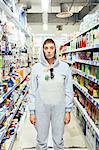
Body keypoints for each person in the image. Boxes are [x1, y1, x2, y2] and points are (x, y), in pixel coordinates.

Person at [29, 38, 73, 150]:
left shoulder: (65, 67)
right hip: (41, 108)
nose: (49, 51)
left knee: (58, 141)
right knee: (41, 140)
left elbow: (68, 90)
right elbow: (32, 91)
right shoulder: (36, 68)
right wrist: (32, 112)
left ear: (55, 50)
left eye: (51, 48)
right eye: (46, 48)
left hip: (59, 108)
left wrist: (68, 110)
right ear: (42, 50)